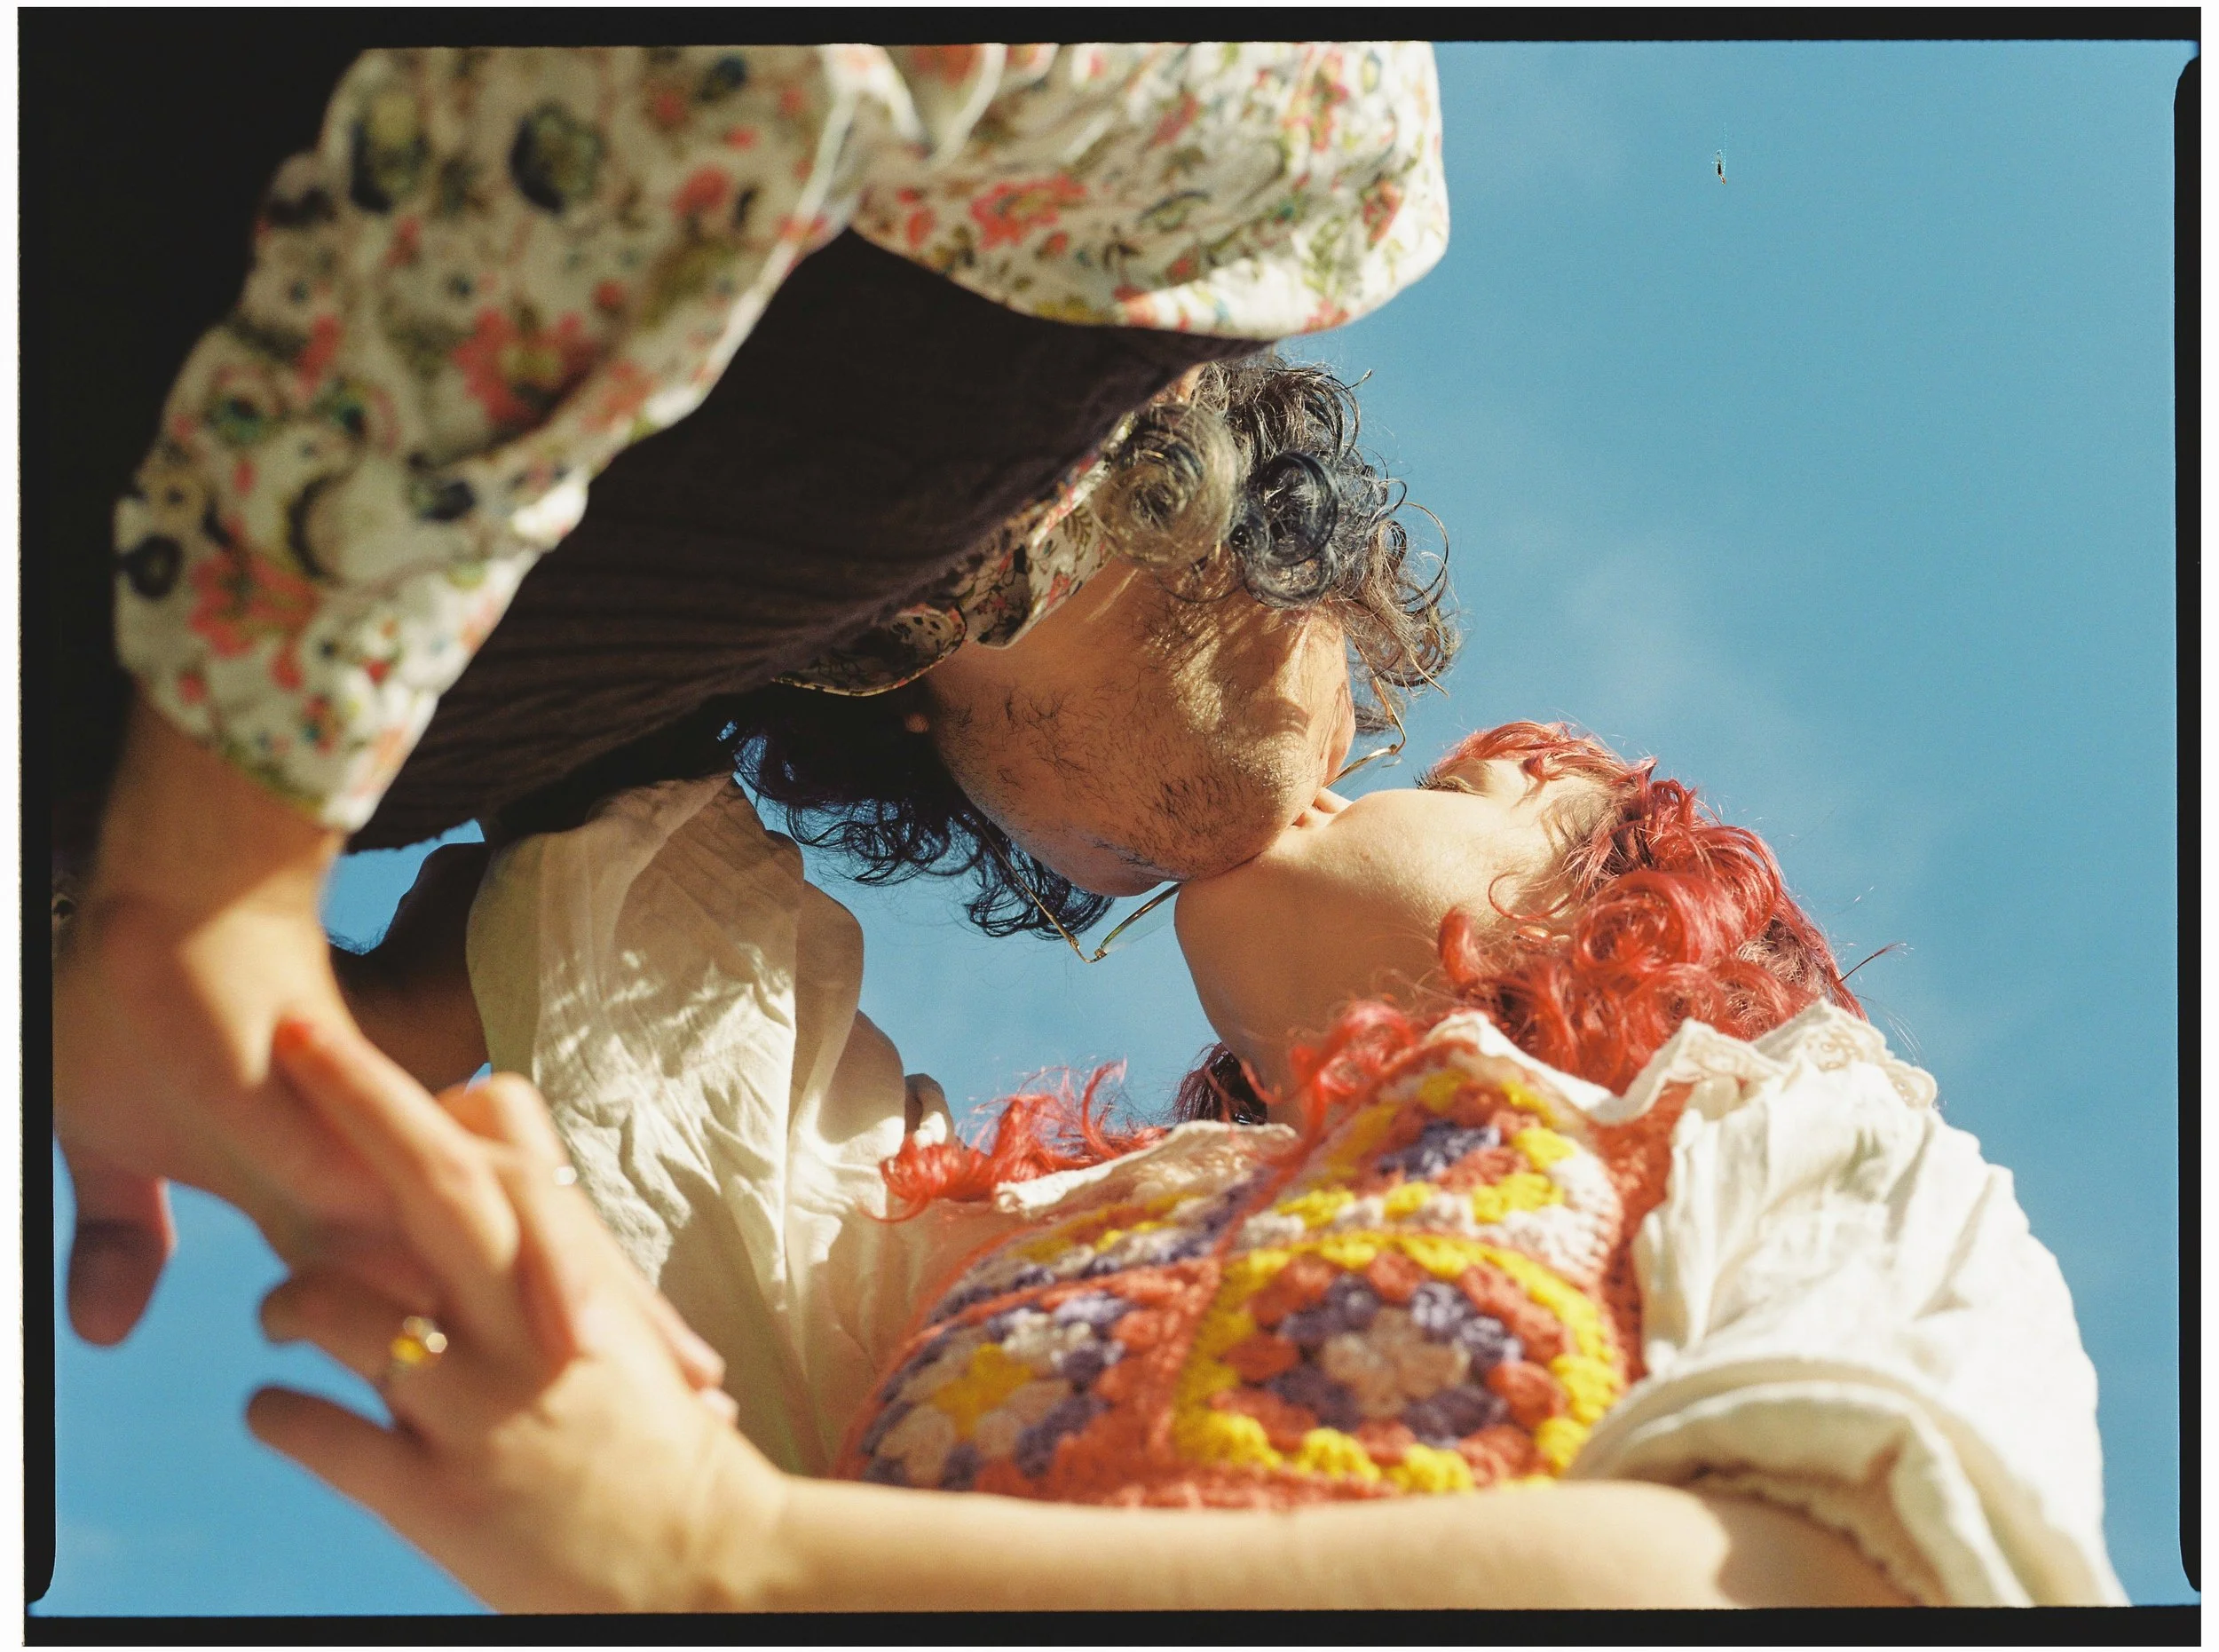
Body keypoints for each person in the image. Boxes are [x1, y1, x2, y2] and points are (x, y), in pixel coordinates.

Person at [51, 41, 1451, 1347]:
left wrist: (330, 1006)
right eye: (1421, 766)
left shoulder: (495, 735)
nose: (1306, 817)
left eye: (1133, 901)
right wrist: (212, 871)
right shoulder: (1312, 175)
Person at [250, 723, 2122, 1608]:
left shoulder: (1783, 1126)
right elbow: (691, 1070)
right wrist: (423, 982)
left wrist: (724, 1550)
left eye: (1460, 778)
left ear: (1623, 903)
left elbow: (1823, 1586)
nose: (1355, 769)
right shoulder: (1042, 1241)